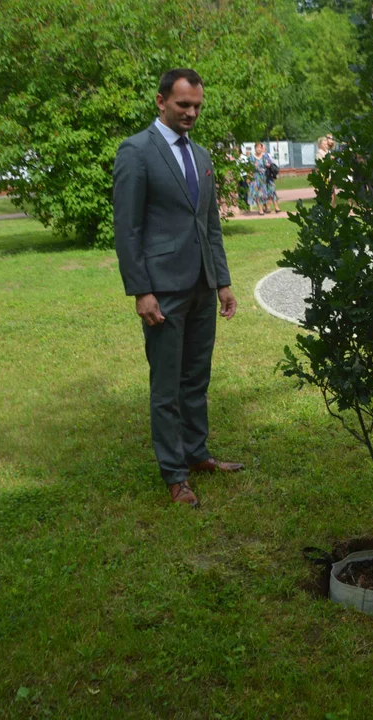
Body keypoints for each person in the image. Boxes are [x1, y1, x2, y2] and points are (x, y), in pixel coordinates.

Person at [112, 68, 243, 509]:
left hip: (203, 287)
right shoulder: (136, 151)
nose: (191, 113)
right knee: (166, 386)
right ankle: (174, 473)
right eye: (184, 105)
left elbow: (210, 224)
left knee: (195, 379)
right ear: (161, 101)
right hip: (162, 290)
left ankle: (197, 453)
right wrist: (141, 291)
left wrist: (222, 282)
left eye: (197, 106)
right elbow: (127, 229)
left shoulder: (201, 154)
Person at [248, 142, 280, 214]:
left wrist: (269, 165)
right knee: (258, 193)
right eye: (258, 147)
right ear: (255, 148)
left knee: (267, 192)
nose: (259, 149)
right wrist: (249, 177)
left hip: (265, 176)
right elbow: (249, 168)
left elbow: (271, 163)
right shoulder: (252, 157)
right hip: (256, 177)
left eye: (260, 147)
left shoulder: (265, 156)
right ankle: (260, 210)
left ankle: (272, 207)